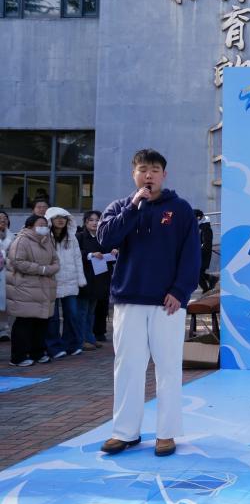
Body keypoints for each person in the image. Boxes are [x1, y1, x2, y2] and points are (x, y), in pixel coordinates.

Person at [97, 149, 200, 457]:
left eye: (155, 170)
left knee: (168, 368)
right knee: (127, 367)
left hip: (167, 303)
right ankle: (124, 432)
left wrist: (180, 291)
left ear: (164, 175)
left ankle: (166, 433)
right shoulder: (121, 207)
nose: (149, 175)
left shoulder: (180, 209)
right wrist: (133, 207)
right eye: (143, 169)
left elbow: (191, 255)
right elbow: (105, 239)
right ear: (134, 174)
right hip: (128, 299)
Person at [5, 215, 59, 366]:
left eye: (45, 225)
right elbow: (18, 262)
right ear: (29, 226)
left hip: (44, 288)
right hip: (25, 288)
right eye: (40, 225)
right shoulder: (22, 240)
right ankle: (18, 357)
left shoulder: (48, 241)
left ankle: (38, 353)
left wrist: (50, 269)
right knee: (25, 323)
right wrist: (42, 269)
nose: (44, 228)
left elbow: (56, 261)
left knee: (41, 322)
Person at [45, 207, 87, 358]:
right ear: (50, 220)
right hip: (51, 282)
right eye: (57, 217)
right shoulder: (45, 238)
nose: (60, 220)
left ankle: (71, 345)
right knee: (53, 317)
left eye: (63, 217)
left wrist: (80, 279)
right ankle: (54, 347)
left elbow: (77, 260)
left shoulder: (72, 238)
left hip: (70, 282)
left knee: (72, 315)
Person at [77, 210, 115, 351]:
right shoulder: (80, 236)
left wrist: (113, 253)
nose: (94, 223)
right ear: (85, 222)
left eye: (97, 220)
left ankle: (90, 337)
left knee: (91, 311)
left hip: (99, 280)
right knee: (82, 311)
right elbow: (76, 254)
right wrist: (91, 255)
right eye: (91, 220)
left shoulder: (103, 237)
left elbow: (110, 260)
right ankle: (81, 339)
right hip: (85, 279)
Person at [0, 210, 15, 341]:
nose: (3, 220)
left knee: (5, 303)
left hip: (7, 272)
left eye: (5, 218)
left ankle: (4, 330)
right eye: (0, 218)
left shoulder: (13, 236)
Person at [195, 209, 214, 293]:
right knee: (197, 273)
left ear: (198, 218)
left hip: (203, 255)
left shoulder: (205, 228)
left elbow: (206, 245)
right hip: (200, 254)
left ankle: (207, 287)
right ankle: (210, 282)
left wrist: (198, 252)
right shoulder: (201, 227)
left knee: (197, 273)